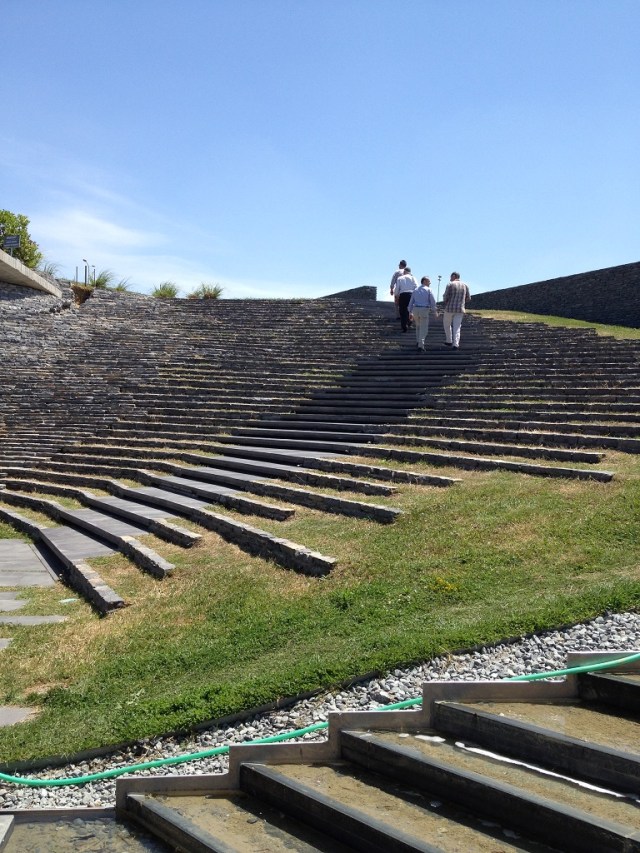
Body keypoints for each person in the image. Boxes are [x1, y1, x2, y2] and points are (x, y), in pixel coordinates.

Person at [442, 271, 471, 349]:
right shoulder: (465, 285)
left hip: (449, 308)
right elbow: (468, 298)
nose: (450, 278)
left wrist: (446, 301)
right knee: (457, 327)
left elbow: (445, 296)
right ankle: (456, 344)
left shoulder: (450, 284)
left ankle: (449, 340)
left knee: (447, 325)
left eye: (451, 277)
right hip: (460, 309)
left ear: (454, 276)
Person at [408, 277, 438, 351]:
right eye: (429, 281)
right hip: (424, 309)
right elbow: (432, 302)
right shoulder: (428, 290)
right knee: (424, 328)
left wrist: (410, 312)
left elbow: (411, 302)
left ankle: (418, 341)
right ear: (424, 281)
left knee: (418, 326)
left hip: (415, 309)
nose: (430, 283)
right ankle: (421, 345)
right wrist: (435, 311)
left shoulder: (415, 290)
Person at [393, 266, 418, 332]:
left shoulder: (400, 278)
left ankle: (404, 326)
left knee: (402, 311)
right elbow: (416, 287)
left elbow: (397, 288)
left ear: (404, 272)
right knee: (410, 310)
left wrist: (396, 296)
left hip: (402, 295)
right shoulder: (413, 278)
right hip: (411, 295)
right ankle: (409, 321)